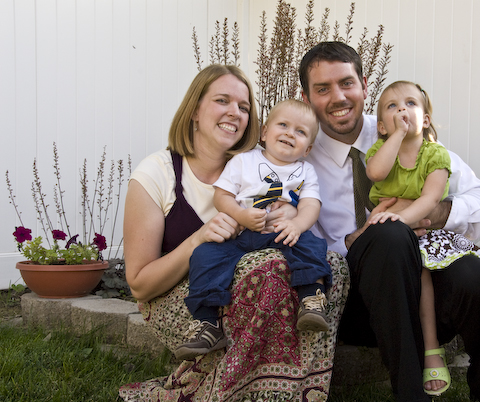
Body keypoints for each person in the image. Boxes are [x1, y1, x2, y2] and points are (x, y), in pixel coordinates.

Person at [299, 41, 480, 402]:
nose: (339, 97)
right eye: (322, 88)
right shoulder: (297, 155)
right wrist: (354, 239)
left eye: (346, 83)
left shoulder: (405, 127)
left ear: (364, 85)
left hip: (425, 293)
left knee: (476, 277)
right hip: (356, 304)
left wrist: (432, 212)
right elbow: (296, 240)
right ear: (305, 97)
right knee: (389, 236)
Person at [119, 64, 349, 402]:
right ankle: (239, 378)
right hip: (188, 298)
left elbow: (304, 203)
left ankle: (291, 387)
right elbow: (139, 285)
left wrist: (292, 214)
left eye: (243, 106)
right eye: (222, 100)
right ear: (195, 110)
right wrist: (198, 238)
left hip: (254, 279)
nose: (235, 112)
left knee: (333, 264)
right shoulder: (158, 173)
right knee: (267, 271)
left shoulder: (263, 165)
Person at [175, 99, 332, 360]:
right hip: (241, 233)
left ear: (307, 149)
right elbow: (222, 195)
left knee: (312, 244)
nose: (290, 133)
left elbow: (311, 205)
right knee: (205, 255)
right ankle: (206, 323)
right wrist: (240, 215)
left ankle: (311, 299)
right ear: (264, 132)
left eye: (300, 131)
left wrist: (297, 225)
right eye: (283, 125)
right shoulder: (243, 161)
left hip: (281, 231)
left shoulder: (306, 171)